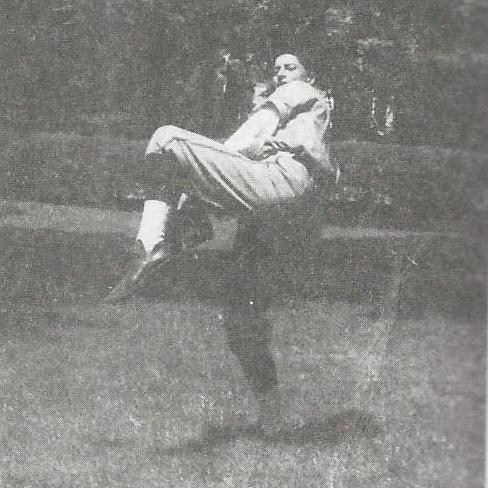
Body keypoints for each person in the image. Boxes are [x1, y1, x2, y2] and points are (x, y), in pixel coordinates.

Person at [105, 53, 335, 433]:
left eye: (289, 66)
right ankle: (271, 416)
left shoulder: (301, 92)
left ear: (309, 73)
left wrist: (202, 170)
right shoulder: (316, 121)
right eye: (276, 67)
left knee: (166, 140)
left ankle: (150, 245)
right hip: (290, 218)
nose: (281, 72)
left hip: (282, 189)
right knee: (242, 315)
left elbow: (255, 131)